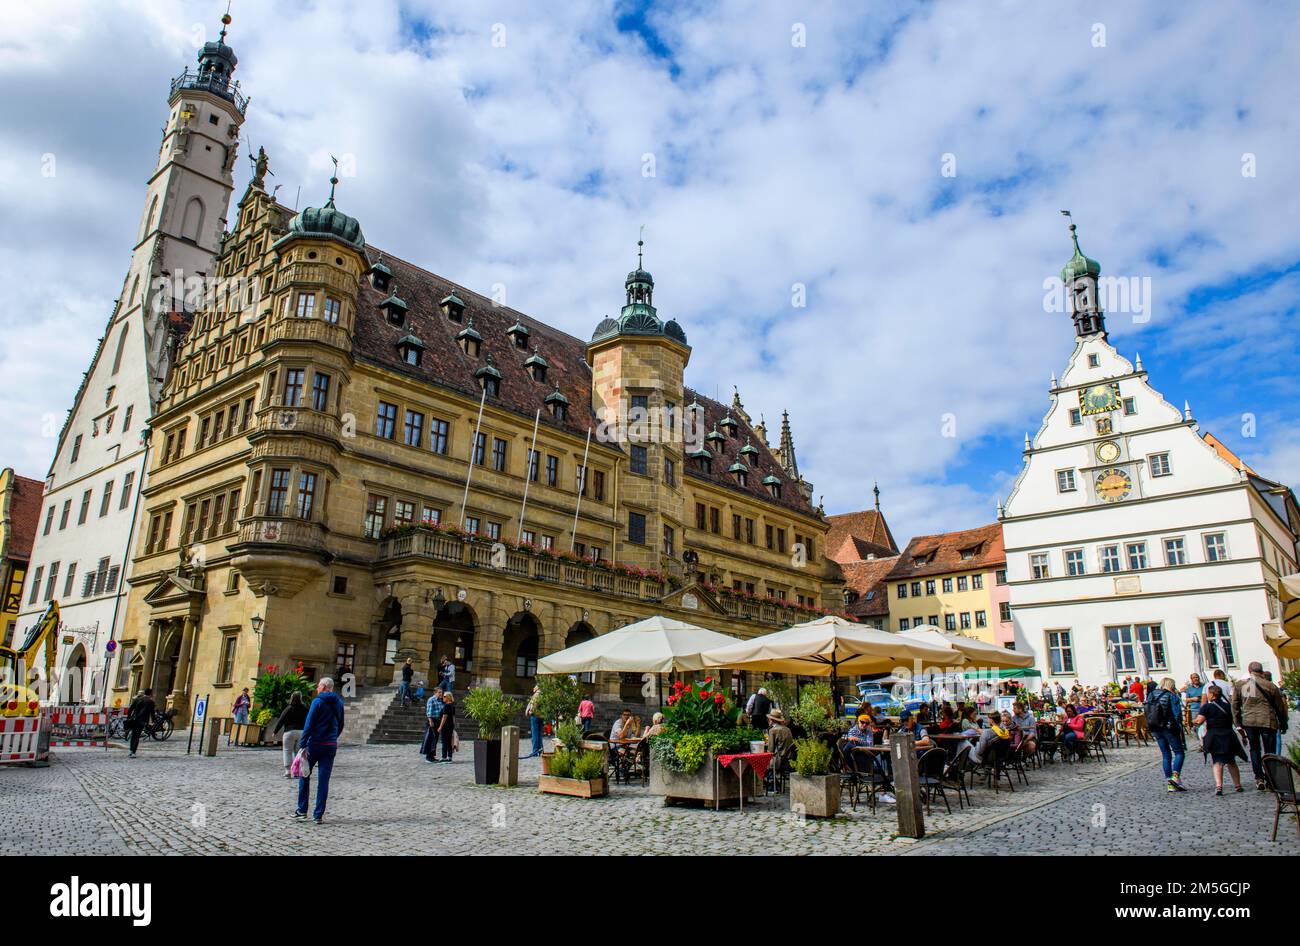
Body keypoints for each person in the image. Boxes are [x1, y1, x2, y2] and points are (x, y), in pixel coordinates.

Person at [1231, 661, 1289, 791]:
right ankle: (1270, 778)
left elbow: (1234, 705)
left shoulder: (1241, 685)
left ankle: (1258, 777)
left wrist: (1238, 723)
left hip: (1249, 721)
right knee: (1270, 751)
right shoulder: (1269, 685)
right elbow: (1280, 707)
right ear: (1261, 671)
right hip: (1267, 721)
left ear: (1249, 670)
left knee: (1254, 749)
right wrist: (1283, 722)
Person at [296, 678, 345, 824]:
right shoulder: (339, 703)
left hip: (314, 744)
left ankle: (302, 810)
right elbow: (341, 724)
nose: (317, 688)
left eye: (318, 686)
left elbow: (308, 724)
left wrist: (302, 744)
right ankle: (318, 815)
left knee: (304, 774)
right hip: (330, 745)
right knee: (324, 781)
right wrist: (333, 737)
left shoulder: (317, 702)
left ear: (324, 687)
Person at [1194, 685, 1245, 796]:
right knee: (1231, 761)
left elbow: (1200, 721)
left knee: (1217, 762)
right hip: (1228, 735)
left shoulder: (1206, 707)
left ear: (1212, 695)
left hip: (1214, 736)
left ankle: (1219, 786)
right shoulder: (1228, 706)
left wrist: (1194, 722)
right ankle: (1237, 785)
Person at [1147, 677, 1187, 793]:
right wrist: (1179, 726)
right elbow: (1177, 714)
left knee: (1166, 755)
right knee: (1179, 752)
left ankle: (1170, 783)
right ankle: (1175, 777)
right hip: (1169, 727)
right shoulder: (1171, 695)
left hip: (1155, 727)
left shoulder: (1151, 695)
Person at [274, 691, 309, 778]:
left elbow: (281, 720)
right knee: (299, 753)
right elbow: (309, 719)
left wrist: (275, 731)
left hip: (289, 732)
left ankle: (288, 771)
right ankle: (296, 772)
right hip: (301, 732)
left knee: (287, 751)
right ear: (301, 698)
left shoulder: (288, 708)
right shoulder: (305, 708)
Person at [124, 687, 156, 758]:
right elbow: (152, 713)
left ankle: (131, 750)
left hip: (134, 719)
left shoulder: (137, 699)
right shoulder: (150, 702)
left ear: (144, 693)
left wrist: (129, 717)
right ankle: (133, 751)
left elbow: (130, 709)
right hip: (142, 720)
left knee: (133, 735)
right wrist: (153, 721)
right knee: (137, 736)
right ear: (150, 694)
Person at [422, 687, 444, 762]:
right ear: (435, 693)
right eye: (439, 692)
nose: (441, 694)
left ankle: (432, 755)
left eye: (441, 692)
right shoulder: (432, 700)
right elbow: (429, 712)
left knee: (435, 739)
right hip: (432, 721)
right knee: (430, 738)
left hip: (438, 721)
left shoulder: (440, 701)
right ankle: (428, 757)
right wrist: (430, 721)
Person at [524, 685, 543, 759]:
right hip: (541, 716)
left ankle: (535, 751)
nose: (533, 688)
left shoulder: (536, 695)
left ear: (537, 688)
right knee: (539, 734)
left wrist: (530, 711)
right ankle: (540, 750)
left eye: (534, 687)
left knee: (535, 734)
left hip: (535, 716)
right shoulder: (543, 695)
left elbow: (534, 705)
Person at [438, 691, 456, 762]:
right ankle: (449, 757)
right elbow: (453, 717)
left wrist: (440, 727)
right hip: (450, 725)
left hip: (445, 726)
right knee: (449, 742)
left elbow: (444, 717)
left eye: (444, 696)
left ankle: (444, 757)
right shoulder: (452, 706)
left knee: (445, 741)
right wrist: (453, 725)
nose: (443, 697)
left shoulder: (446, 706)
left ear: (448, 697)